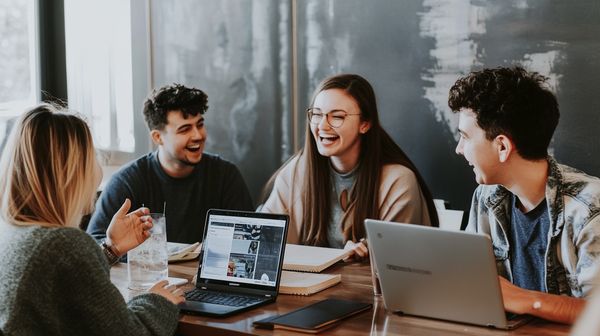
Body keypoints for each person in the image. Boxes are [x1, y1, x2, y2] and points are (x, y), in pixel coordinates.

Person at [0, 104, 184, 335]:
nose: (97, 169)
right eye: (93, 157)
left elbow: (63, 283)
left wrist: (110, 249)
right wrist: (158, 300)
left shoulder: (12, 232)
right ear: (72, 171)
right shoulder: (64, 244)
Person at [449, 66, 600, 324]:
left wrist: (526, 299)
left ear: (502, 146)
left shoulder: (589, 209)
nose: (459, 149)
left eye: (465, 137)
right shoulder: (485, 197)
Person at [262, 74, 438, 258]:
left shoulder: (397, 180)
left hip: (366, 286)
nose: (322, 125)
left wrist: (365, 255)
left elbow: (398, 262)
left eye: (337, 116)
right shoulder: (297, 172)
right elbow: (266, 240)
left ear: (365, 123)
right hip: (310, 286)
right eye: (317, 114)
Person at [87, 83, 253, 244]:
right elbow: (95, 244)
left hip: (203, 272)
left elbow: (249, 238)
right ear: (158, 137)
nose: (198, 135)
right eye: (185, 129)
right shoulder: (127, 181)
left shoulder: (225, 175)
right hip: (150, 271)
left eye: (200, 125)